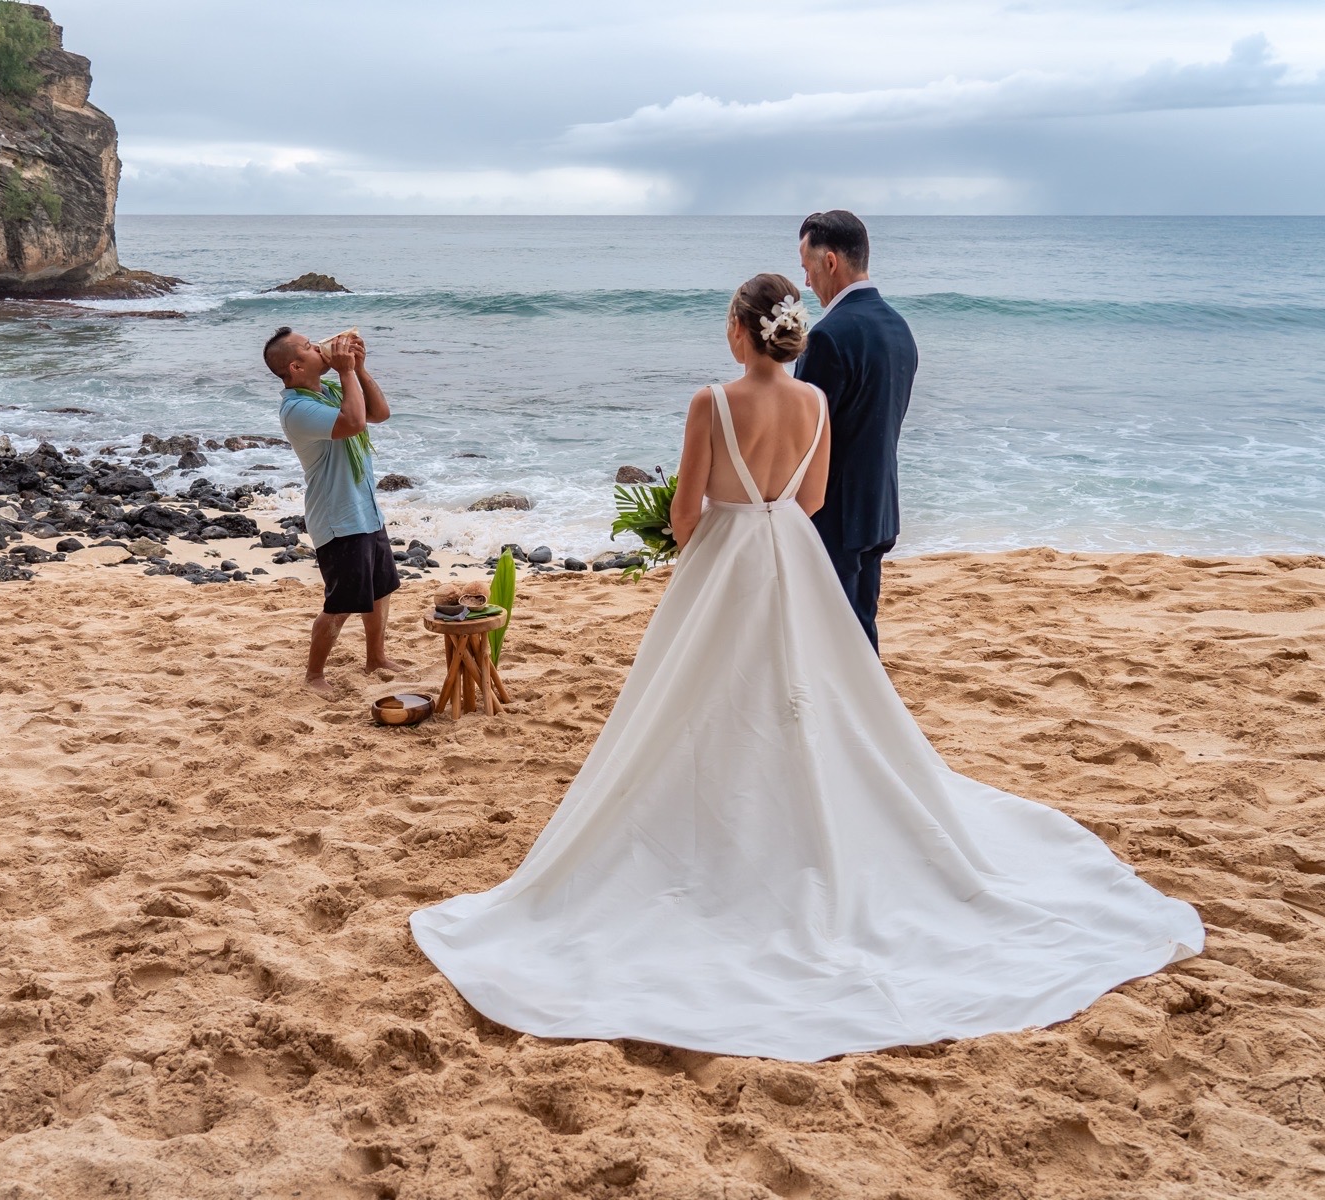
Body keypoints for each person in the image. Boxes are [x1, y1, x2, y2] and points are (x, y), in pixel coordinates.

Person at [409, 273, 1203, 1062]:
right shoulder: (815, 404)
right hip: (792, 554)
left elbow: (685, 514)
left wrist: (697, 533)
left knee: (698, 699)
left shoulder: (710, 403)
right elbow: (814, 499)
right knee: (802, 695)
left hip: (725, 560)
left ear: (738, 330)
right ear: (786, 331)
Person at [794, 209, 917, 653]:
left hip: (834, 517)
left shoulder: (828, 336)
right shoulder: (898, 327)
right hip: (878, 507)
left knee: (830, 640)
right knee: (860, 631)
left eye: (807, 269)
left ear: (830, 262)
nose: (806, 283)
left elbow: (802, 438)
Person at [263, 326, 404, 694]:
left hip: (364, 508)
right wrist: (344, 370)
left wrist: (358, 368)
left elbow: (379, 414)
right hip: (338, 517)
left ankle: (376, 657)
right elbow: (353, 423)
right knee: (341, 604)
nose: (317, 347)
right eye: (309, 347)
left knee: (379, 591)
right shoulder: (297, 409)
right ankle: (314, 676)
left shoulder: (328, 392)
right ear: (295, 367)